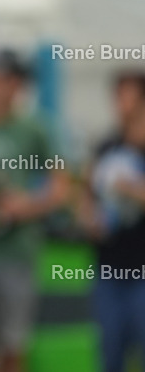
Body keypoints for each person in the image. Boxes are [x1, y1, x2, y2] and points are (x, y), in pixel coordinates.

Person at [0, 49, 69, 372]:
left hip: (17, 252)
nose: (1, 86)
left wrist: (27, 206)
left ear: (19, 86)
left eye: (9, 80)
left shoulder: (34, 128)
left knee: (13, 345)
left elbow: (62, 185)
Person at [79, 71, 145, 372]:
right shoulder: (105, 146)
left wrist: (127, 187)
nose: (123, 105)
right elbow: (86, 196)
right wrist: (89, 219)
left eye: (130, 97)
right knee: (110, 353)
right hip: (109, 269)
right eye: (118, 97)